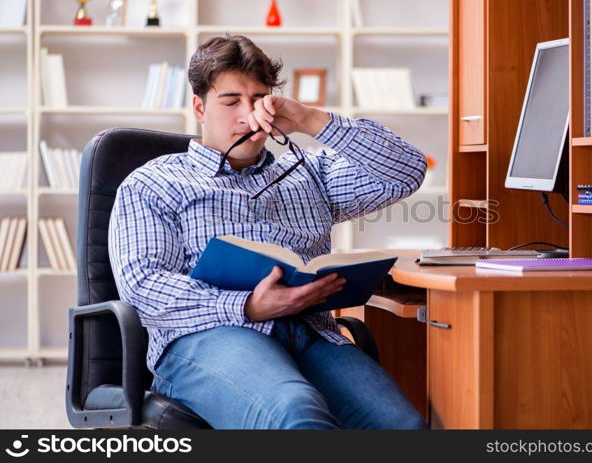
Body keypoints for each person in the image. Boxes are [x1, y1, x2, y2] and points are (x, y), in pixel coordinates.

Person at [108, 34, 428, 429]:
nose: (248, 116)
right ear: (199, 107)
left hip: (309, 332)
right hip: (210, 337)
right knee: (296, 413)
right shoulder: (154, 183)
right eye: (230, 102)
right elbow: (143, 286)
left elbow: (406, 171)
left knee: (404, 427)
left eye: (258, 100)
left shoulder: (311, 174)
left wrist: (312, 121)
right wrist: (247, 306)